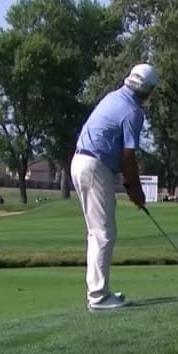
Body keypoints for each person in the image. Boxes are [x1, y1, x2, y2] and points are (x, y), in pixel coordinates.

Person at [71, 62, 158, 311]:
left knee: (96, 232)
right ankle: (98, 297)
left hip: (80, 161)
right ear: (148, 90)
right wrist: (135, 190)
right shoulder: (133, 112)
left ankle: (99, 291)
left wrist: (130, 187)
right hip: (94, 165)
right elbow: (128, 157)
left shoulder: (113, 96)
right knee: (103, 233)